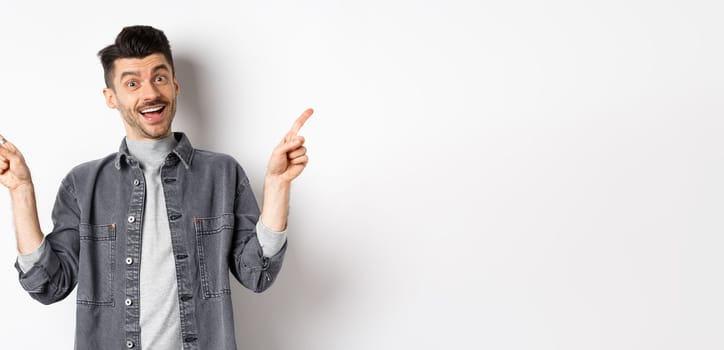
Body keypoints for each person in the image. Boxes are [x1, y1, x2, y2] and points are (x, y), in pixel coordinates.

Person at [0, 25, 311, 350]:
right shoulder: (83, 183)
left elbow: (256, 275)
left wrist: (277, 186)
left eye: (159, 78)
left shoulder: (222, 174)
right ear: (111, 97)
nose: (150, 94)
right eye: (132, 83)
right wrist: (21, 190)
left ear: (175, 85)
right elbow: (49, 285)